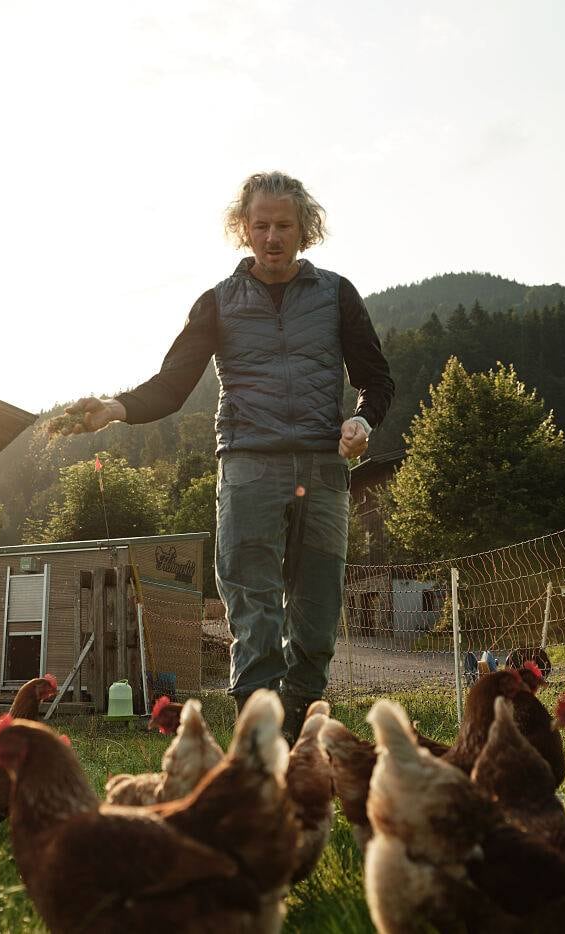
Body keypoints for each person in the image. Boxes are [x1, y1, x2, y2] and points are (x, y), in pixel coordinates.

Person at [60, 171, 394, 741]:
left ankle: (301, 739)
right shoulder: (217, 302)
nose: (272, 237)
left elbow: (376, 379)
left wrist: (362, 420)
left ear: (305, 229)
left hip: (322, 469)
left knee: (316, 621)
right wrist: (117, 407)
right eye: (261, 225)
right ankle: (259, 747)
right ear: (244, 227)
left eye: (283, 225)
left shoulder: (337, 295)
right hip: (248, 468)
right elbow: (172, 383)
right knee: (255, 615)